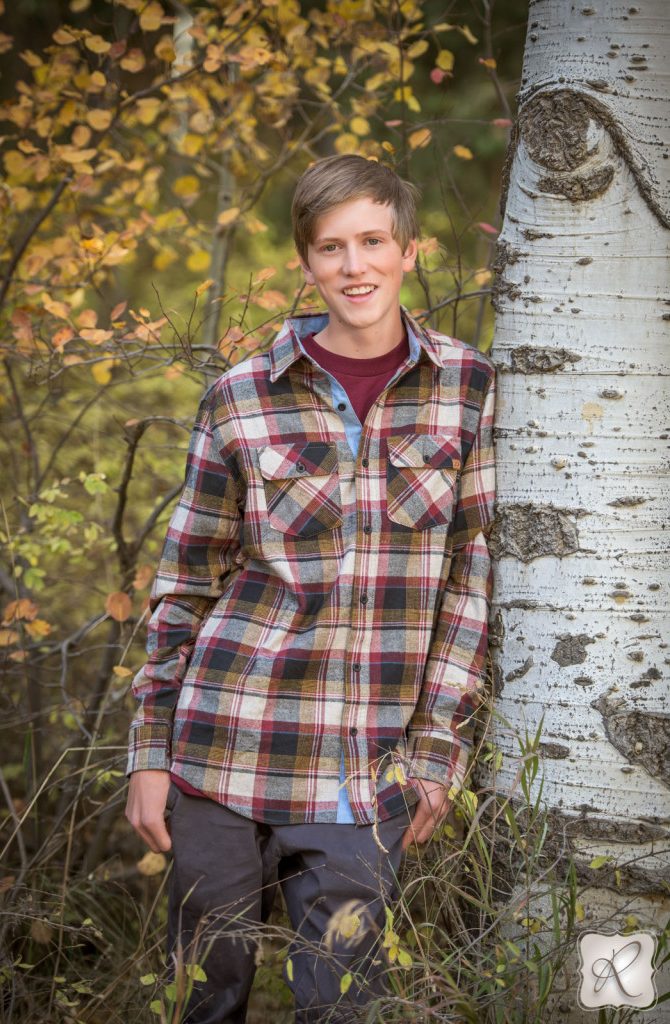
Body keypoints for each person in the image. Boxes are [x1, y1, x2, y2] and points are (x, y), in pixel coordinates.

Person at [126, 153, 496, 1023]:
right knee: (204, 997)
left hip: (363, 779)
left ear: (410, 249)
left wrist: (437, 750)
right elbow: (185, 583)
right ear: (305, 262)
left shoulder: (470, 392)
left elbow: (470, 582)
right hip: (222, 754)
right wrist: (149, 752)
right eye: (331, 247)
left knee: (341, 1004)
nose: (354, 265)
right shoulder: (241, 400)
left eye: (373, 241)